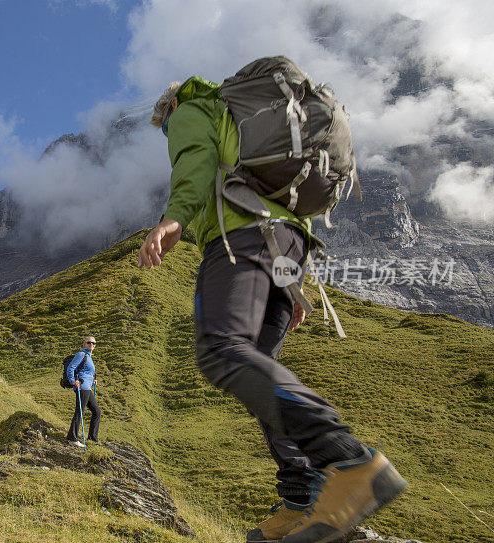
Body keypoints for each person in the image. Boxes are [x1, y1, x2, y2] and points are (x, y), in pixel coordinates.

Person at [137, 78, 407, 543]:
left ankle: (347, 457)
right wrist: (290, 285)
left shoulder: (191, 110)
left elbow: (195, 161)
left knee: (221, 350)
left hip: (240, 240)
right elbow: (285, 212)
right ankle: (303, 498)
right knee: (259, 377)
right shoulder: (251, 131)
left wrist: (176, 217)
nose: (167, 131)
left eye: (164, 125)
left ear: (169, 107)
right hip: (285, 248)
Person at [66, 336, 101, 447]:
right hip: (82, 387)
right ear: (85, 344)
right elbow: (71, 368)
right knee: (79, 411)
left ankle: (93, 438)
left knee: (97, 412)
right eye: (89, 342)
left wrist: (92, 382)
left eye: (94, 343)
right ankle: (72, 438)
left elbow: (86, 373)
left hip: (87, 387)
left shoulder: (89, 357)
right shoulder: (81, 354)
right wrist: (73, 381)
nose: (92, 345)